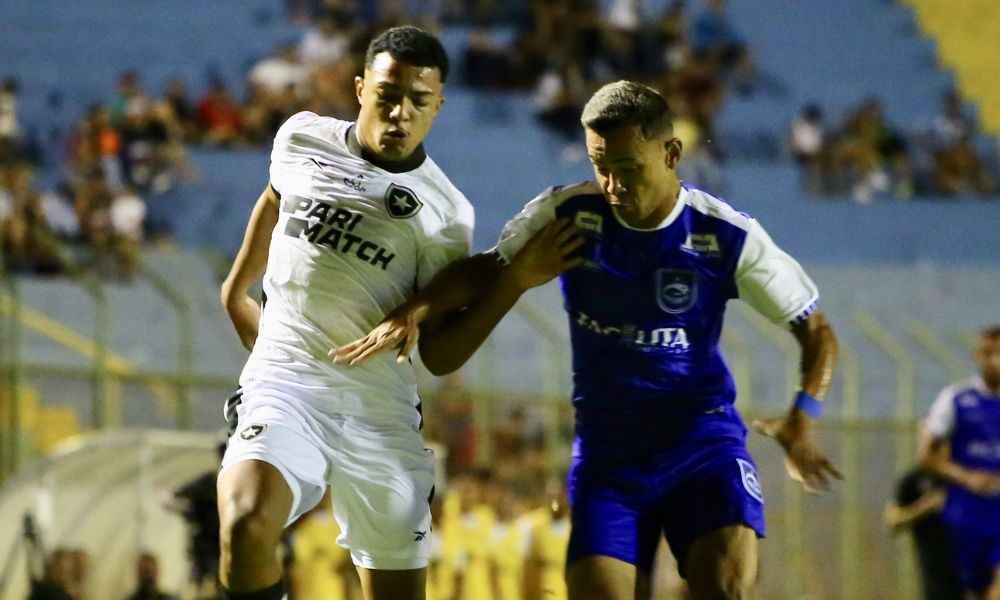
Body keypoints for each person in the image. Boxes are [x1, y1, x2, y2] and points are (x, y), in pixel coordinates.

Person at [334, 80, 842, 599]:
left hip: (700, 442)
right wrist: (414, 310)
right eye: (601, 165)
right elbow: (485, 269)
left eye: (628, 167)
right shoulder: (569, 214)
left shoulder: (725, 236)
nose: (614, 184)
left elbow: (816, 330)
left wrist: (804, 415)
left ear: (671, 153)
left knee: (727, 585)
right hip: (608, 456)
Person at [218, 26, 473, 600]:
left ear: (439, 105)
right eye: (387, 95)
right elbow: (276, 195)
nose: (400, 113)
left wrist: (420, 309)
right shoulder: (301, 137)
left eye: (419, 101)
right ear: (360, 88)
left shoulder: (446, 213)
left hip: (377, 411)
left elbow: (440, 329)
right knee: (244, 522)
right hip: (286, 385)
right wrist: (237, 287)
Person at [920, 325, 1000, 600]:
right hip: (964, 514)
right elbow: (927, 455)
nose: (994, 360)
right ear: (978, 356)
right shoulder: (956, 399)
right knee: (972, 591)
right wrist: (966, 477)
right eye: (988, 353)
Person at [884, 466, 963, 600]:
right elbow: (893, 519)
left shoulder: (969, 478)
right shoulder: (914, 480)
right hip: (935, 575)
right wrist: (927, 506)